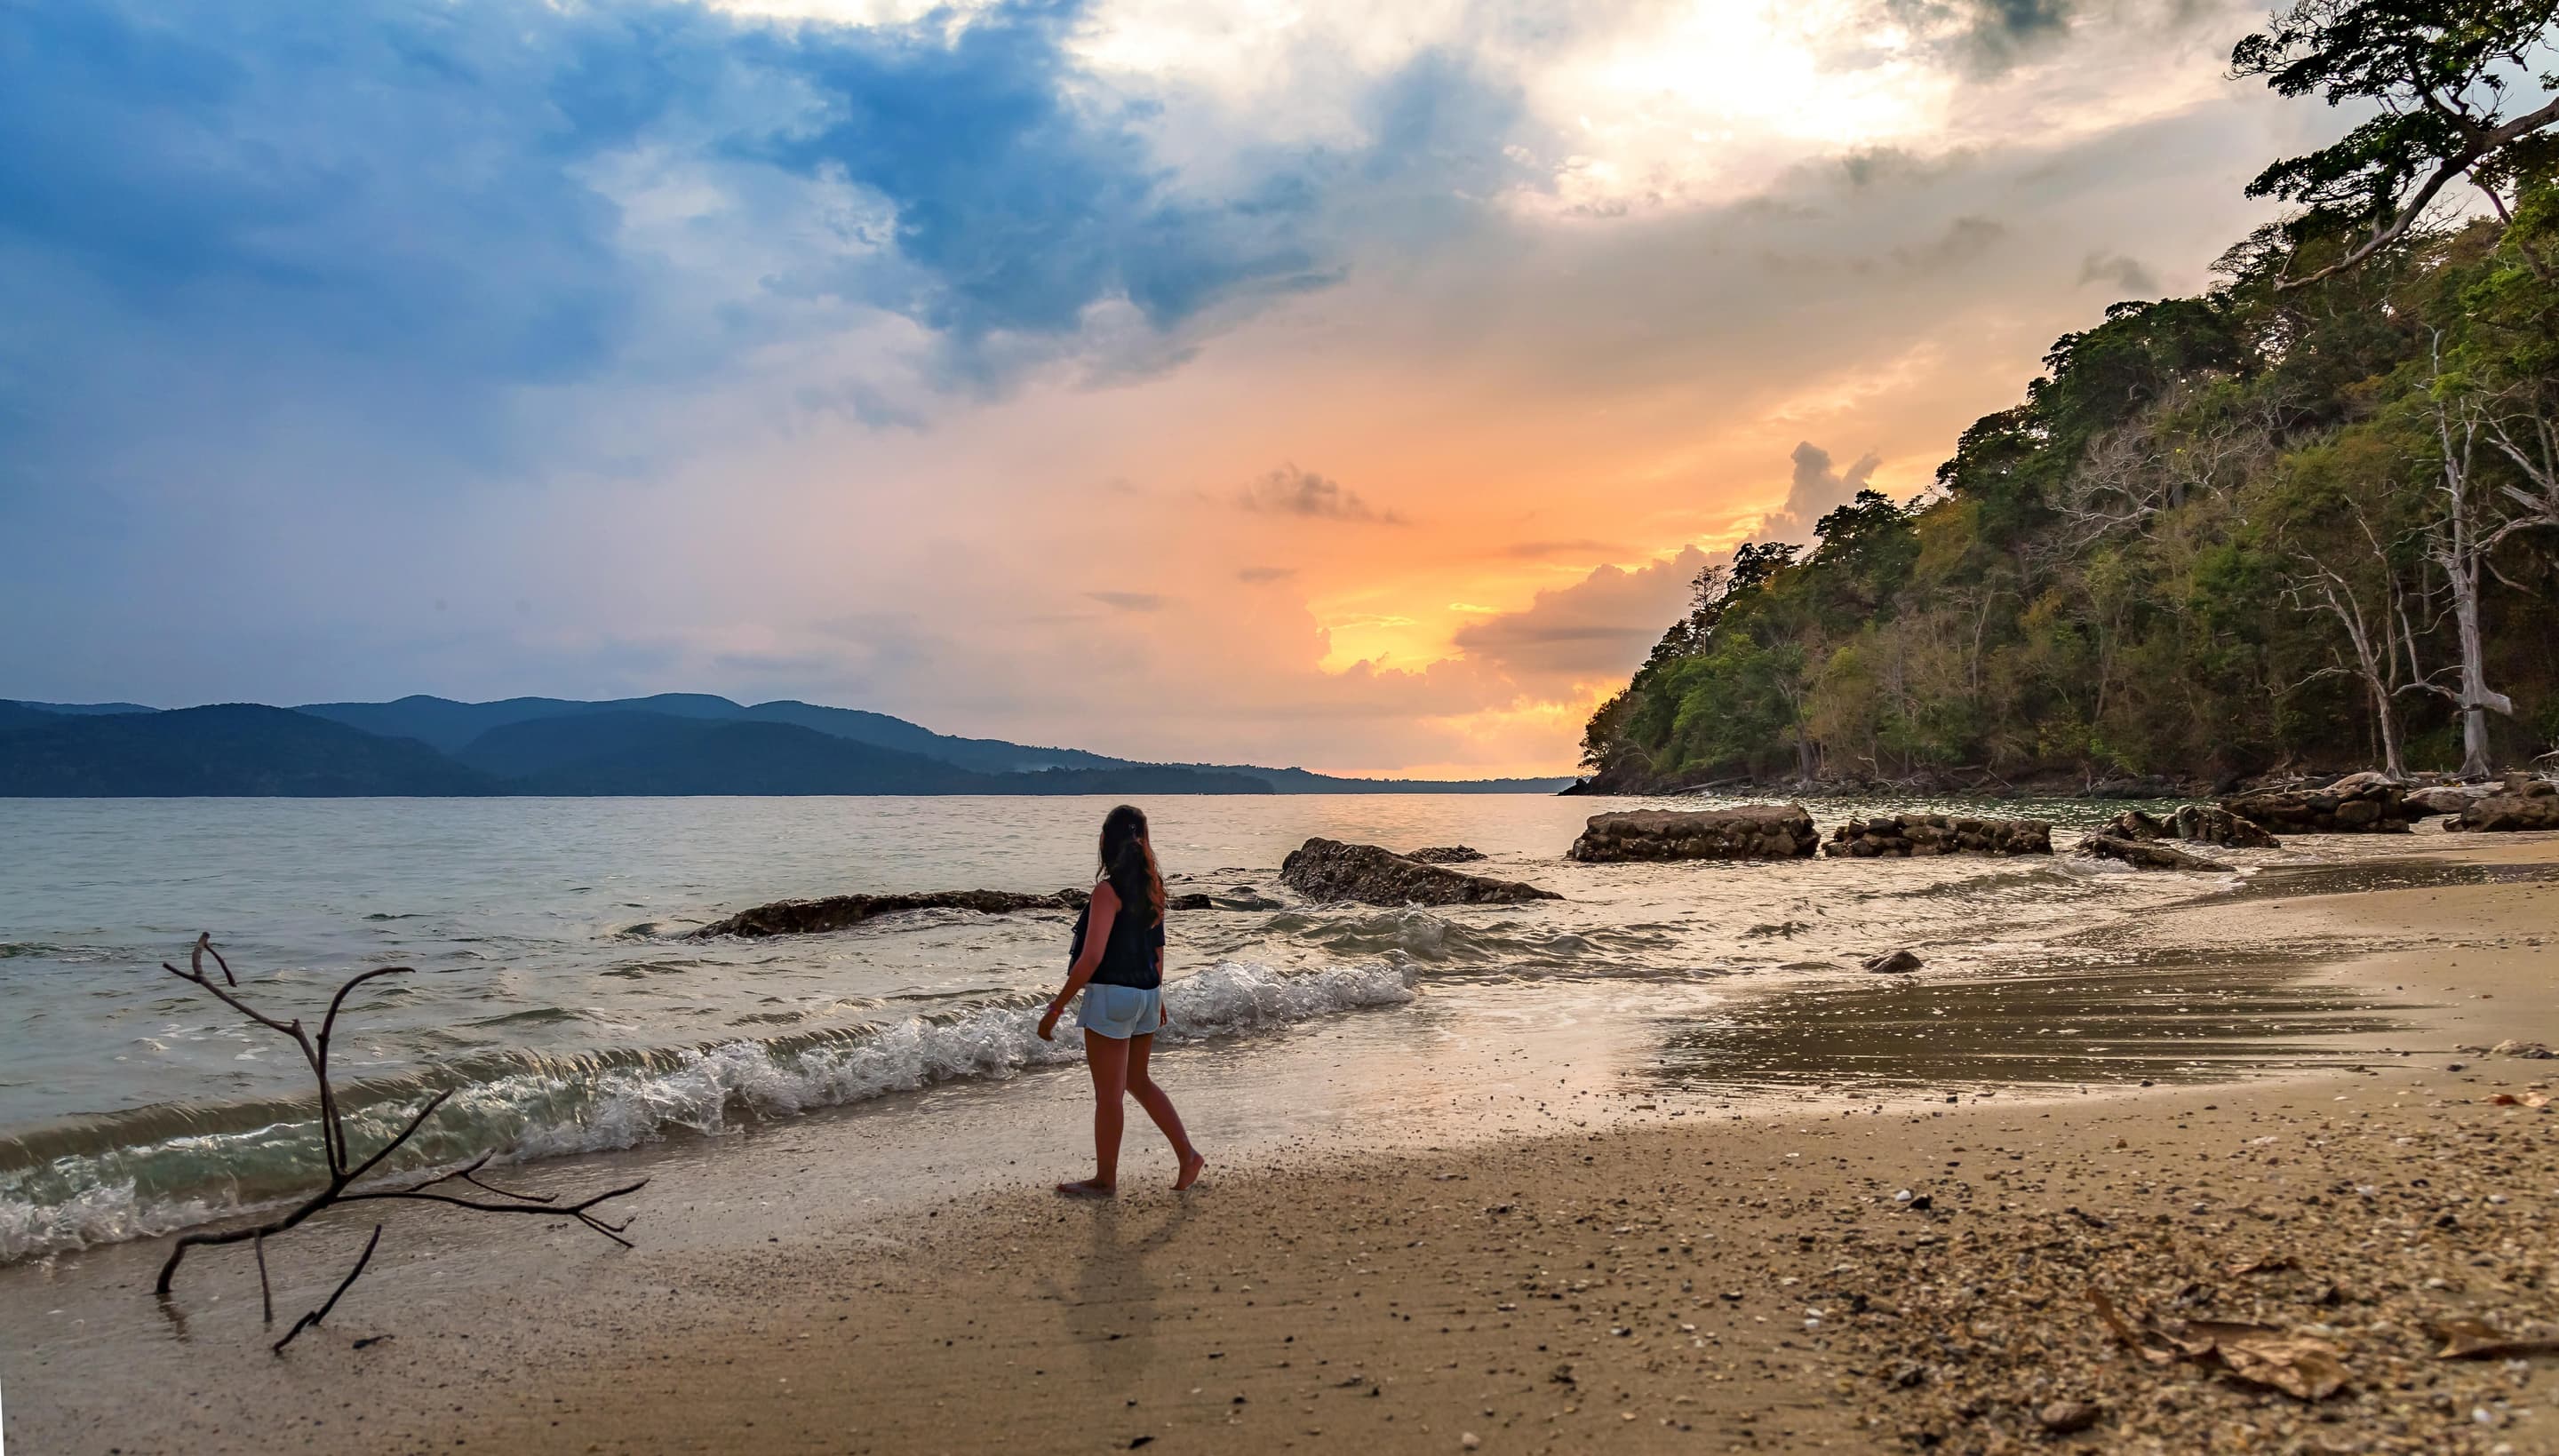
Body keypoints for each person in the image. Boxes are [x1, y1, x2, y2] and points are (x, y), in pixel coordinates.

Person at [1037, 804, 1207, 1197]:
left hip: (1112, 998)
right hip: (1147, 996)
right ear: (1145, 842)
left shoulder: (1106, 892)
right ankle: (1187, 1155)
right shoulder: (1155, 890)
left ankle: (1105, 1180)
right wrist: (1158, 997)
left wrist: (1056, 1006)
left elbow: (1091, 957)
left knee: (1109, 1096)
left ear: (1104, 843)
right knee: (1138, 1081)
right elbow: (1158, 951)